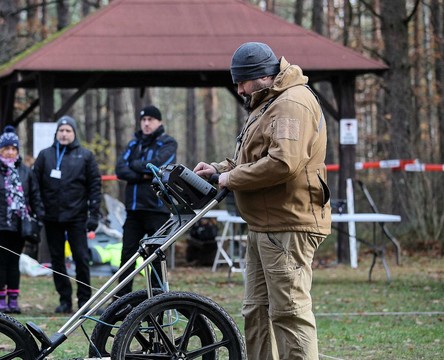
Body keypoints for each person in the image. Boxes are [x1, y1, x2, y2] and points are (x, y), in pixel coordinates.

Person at [194, 42, 331, 360]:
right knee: (255, 311)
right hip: (263, 224)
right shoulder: (267, 102)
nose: (239, 89)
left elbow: (284, 163)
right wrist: (217, 169)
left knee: (289, 313)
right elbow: (256, 156)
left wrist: (229, 179)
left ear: (261, 75)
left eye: (242, 81)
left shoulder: (291, 104)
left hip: (288, 224)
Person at [34, 116, 102, 314]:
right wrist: (39, 210)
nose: (64, 134)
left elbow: (95, 187)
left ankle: (84, 300)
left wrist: (94, 214)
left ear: (74, 133)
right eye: (61, 130)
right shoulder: (45, 156)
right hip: (52, 217)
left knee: (81, 258)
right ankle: (64, 299)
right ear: (56, 133)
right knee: (57, 260)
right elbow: (35, 185)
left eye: (68, 131)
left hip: (77, 217)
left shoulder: (86, 156)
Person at [0, 125, 44, 314]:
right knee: (1, 261)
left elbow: (35, 195)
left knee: (14, 261)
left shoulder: (26, 171)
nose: (10, 152)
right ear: (0, 150)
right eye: (7, 149)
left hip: (20, 224)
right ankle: (0, 299)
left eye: (14, 149)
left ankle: (13, 299)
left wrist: (39, 217)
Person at [114, 105, 178, 297]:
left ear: (159, 122)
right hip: (133, 210)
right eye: (143, 120)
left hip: (157, 210)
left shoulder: (168, 143)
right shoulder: (134, 144)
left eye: (150, 119)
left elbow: (158, 168)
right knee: (127, 256)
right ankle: (120, 300)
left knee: (156, 257)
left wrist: (135, 169)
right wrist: (142, 172)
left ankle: (156, 302)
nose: (146, 123)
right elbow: (120, 169)